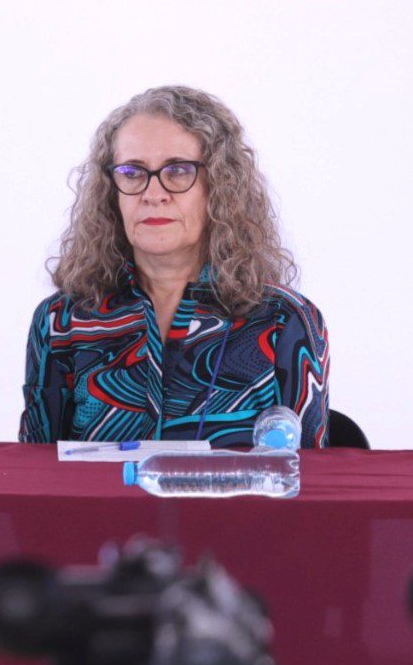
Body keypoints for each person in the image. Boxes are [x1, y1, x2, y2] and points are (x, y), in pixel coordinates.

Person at [21, 85, 329, 448]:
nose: (153, 194)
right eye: (132, 172)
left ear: (220, 186)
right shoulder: (61, 321)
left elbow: (306, 473)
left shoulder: (283, 320)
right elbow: (34, 470)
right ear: (111, 191)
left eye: (179, 170)